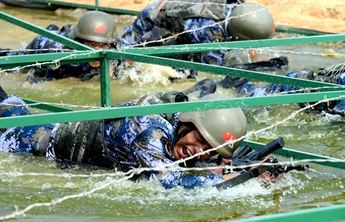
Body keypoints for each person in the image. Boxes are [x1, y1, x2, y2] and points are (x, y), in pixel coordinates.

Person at [0, 81, 284, 189]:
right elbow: (169, 185)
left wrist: (235, 167)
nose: (199, 151)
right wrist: (238, 178)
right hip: (27, 143)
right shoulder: (149, 130)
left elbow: (196, 164)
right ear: (186, 123)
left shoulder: (179, 133)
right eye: (199, 140)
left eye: (210, 150)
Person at [121, 0, 275, 68]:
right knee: (126, 55)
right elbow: (211, 70)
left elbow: (247, 36)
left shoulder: (237, 7)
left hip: (177, 9)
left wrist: (255, 59)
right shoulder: (211, 29)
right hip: (154, 18)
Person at [5, 11, 120, 83]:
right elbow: (49, 85)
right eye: (91, 44)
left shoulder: (116, 46)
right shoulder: (58, 50)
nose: (97, 50)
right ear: (79, 41)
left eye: (102, 45)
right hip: (38, 49)